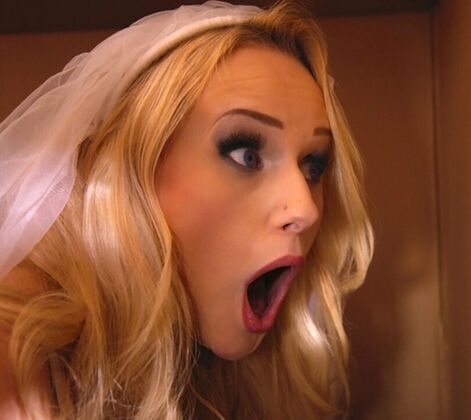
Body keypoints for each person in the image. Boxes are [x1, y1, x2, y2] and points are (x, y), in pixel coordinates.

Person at [0, 1, 374, 418]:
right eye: (246, 155)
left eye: (313, 166)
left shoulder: (222, 370)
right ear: (133, 169)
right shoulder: (18, 359)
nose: (306, 208)